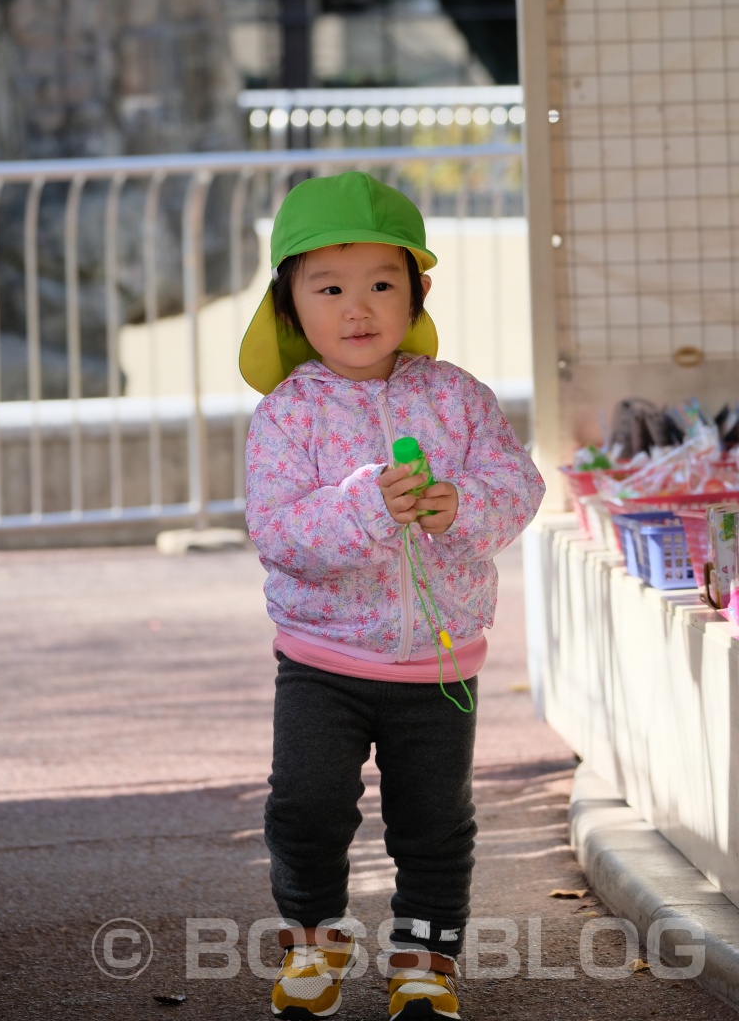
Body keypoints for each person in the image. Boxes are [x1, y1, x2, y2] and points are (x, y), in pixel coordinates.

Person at [239, 171, 545, 1020]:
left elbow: (517, 485)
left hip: (437, 663)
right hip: (322, 659)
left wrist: (463, 507)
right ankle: (314, 942)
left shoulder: (457, 396)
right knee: (305, 805)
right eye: (329, 287)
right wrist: (367, 505)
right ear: (291, 305)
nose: (358, 307)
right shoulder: (286, 416)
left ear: (417, 292)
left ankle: (424, 961)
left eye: (382, 283)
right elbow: (282, 534)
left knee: (435, 825)